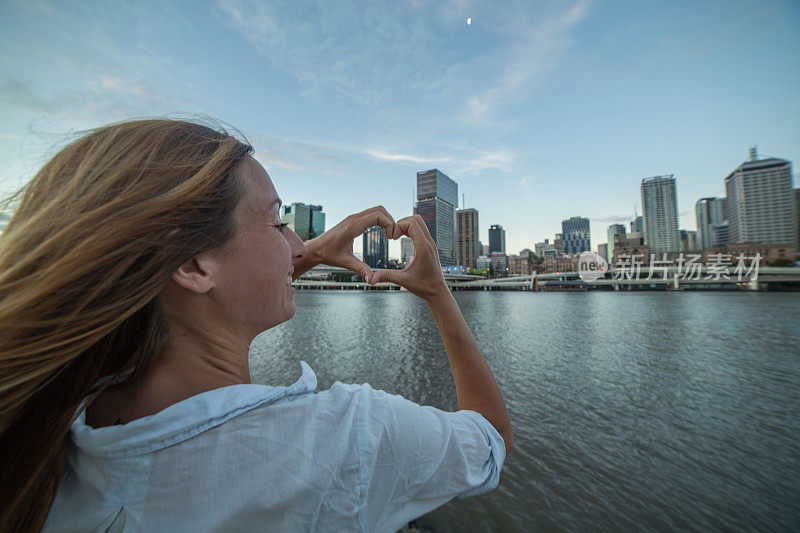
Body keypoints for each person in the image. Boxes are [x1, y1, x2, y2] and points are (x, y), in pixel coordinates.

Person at [0, 119, 512, 532]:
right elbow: (490, 441)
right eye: (275, 222)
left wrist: (316, 249)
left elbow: (226, 271)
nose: (295, 246)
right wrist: (439, 294)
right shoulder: (346, 441)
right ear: (194, 266)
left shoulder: (61, 423)